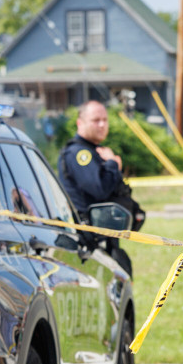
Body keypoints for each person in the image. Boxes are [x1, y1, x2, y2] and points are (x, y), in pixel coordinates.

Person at [57, 99, 143, 273]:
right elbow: (99, 189)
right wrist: (112, 164)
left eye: (105, 120)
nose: (102, 124)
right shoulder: (79, 153)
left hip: (102, 238)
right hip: (88, 243)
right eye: (96, 120)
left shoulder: (94, 150)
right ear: (80, 123)